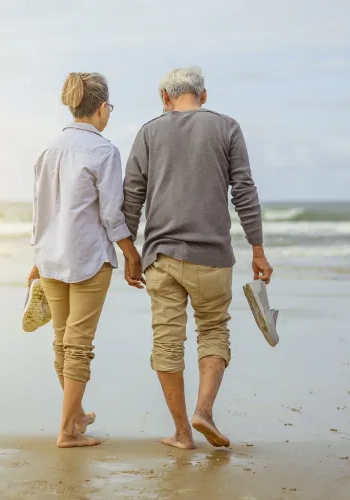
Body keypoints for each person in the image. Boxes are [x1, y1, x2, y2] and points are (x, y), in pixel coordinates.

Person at [121, 66, 273, 449]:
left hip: (162, 257)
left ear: (165, 98)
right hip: (213, 257)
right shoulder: (227, 128)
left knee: (168, 342)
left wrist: (130, 254)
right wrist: (257, 248)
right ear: (203, 96)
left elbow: (131, 197)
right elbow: (244, 192)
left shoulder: (149, 132)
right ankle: (203, 411)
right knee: (213, 331)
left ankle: (182, 432)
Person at [27, 72, 144, 448]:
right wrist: (130, 253)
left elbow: (39, 211)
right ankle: (67, 431)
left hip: (49, 258)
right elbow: (112, 214)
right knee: (78, 345)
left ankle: (75, 417)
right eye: (109, 106)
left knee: (63, 341)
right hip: (89, 258)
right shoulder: (104, 151)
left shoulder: (48, 148)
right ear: (100, 107)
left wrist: (35, 256)